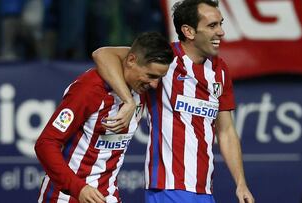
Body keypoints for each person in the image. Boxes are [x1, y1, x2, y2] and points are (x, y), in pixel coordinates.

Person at [92, 0, 255, 203]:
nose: (221, 32)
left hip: (204, 190)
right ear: (188, 31)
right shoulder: (164, 59)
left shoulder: (220, 70)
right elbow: (102, 54)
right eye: (212, 26)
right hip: (167, 186)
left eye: (221, 24)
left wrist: (240, 183)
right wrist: (128, 100)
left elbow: (226, 131)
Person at [35, 32, 174, 203]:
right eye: (151, 76)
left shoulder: (141, 90)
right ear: (131, 61)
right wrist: (78, 188)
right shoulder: (90, 88)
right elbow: (46, 143)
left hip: (107, 196)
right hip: (67, 196)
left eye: (160, 78)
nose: (154, 84)